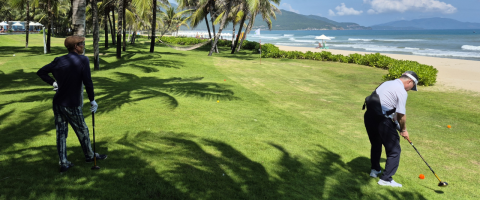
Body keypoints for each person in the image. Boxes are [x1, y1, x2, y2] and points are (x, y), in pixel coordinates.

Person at [37, 36, 107, 173]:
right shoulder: (83, 60)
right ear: (76, 46)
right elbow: (88, 82)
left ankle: (63, 162)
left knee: (61, 133)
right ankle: (89, 155)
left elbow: (41, 72)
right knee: (83, 130)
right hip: (72, 104)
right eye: (82, 44)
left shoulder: (59, 60)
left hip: (58, 103)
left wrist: (53, 82)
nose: (83, 46)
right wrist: (92, 100)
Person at [363, 71, 419, 187]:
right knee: (394, 151)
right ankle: (386, 179)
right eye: (412, 87)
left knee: (376, 144)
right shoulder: (402, 91)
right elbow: (401, 115)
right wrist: (403, 130)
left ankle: (375, 170)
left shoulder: (387, 83)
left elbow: (390, 111)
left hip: (369, 117)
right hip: (382, 121)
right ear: (409, 81)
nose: (410, 89)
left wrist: (398, 127)